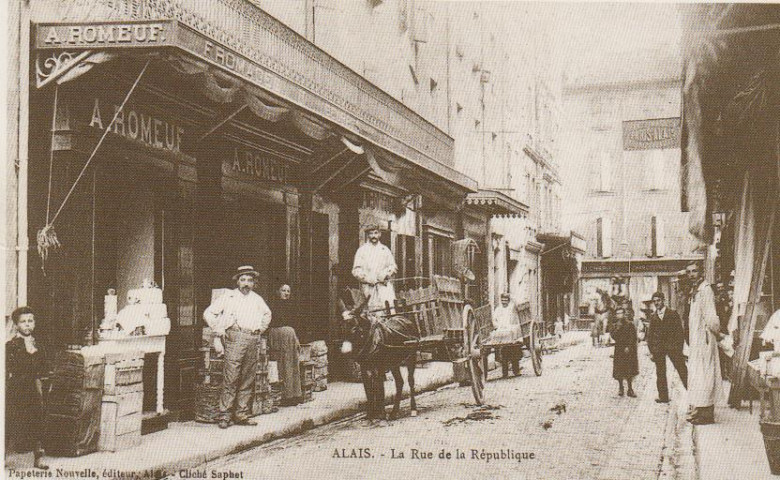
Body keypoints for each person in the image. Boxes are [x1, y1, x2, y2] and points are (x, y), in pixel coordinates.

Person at [203, 265, 272, 429]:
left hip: (252, 338)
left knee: (248, 378)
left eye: (249, 280)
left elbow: (267, 314)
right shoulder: (229, 296)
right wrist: (219, 329)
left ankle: (242, 414)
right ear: (237, 281)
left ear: (254, 282)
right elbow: (208, 313)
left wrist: (260, 329)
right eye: (243, 280)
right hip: (235, 337)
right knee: (231, 377)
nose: (246, 283)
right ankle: (225, 415)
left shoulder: (257, 299)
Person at [6, 307, 49, 469]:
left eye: (30, 321)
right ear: (16, 325)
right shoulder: (11, 345)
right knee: (10, 420)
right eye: (23, 322)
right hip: (17, 386)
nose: (27, 325)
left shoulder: (39, 344)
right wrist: (28, 353)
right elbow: (13, 367)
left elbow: (44, 365)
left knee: (38, 419)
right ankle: (3, 456)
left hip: (35, 386)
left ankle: (38, 458)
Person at [685, 262, 722, 425]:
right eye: (689, 272)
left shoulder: (705, 290)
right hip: (697, 340)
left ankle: (706, 414)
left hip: (705, 339)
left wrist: (716, 333)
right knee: (698, 376)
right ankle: (699, 409)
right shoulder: (695, 291)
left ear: (701, 272)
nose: (692, 274)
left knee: (705, 375)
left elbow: (712, 318)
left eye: (694, 271)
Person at [647, 292, 688, 404]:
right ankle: (663, 396)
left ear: (663, 300)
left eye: (658, 300)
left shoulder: (672, 313)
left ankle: (692, 392)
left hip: (673, 347)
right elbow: (650, 336)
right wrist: (651, 351)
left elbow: (680, 332)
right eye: (654, 301)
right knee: (660, 373)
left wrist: (679, 349)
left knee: (682, 369)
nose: (656, 303)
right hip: (659, 349)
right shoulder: (653, 316)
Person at [267, 284, 303, 406]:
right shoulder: (272, 305)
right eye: (283, 290)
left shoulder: (291, 306)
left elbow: (294, 324)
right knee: (282, 365)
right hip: (279, 337)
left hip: (290, 338)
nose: (286, 293)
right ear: (278, 291)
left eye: (288, 291)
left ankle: (294, 394)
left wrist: (296, 338)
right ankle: (284, 396)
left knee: (293, 364)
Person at [352, 224, 398, 313]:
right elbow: (356, 270)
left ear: (379, 234)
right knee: (372, 314)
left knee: (389, 311)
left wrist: (385, 274)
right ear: (367, 235)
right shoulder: (362, 251)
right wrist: (368, 279)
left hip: (385, 288)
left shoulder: (385, 250)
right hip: (369, 289)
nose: (373, 236)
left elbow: (393, 266)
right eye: (371, 233)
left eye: (376, 233)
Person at [612, 307, 638, 397]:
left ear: (624, 314)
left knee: (629, 370)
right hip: (619, 349)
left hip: (628, 350)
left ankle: (630, 389)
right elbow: (613, 336)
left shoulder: (629, 324)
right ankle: (621, 388)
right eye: (618, 313)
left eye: (621, 313)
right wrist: (617, 328)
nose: (619, 315)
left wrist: (629, 347)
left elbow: (633, 337)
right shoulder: (615, 325)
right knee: (619, 369)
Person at [492, 293, 520, 377]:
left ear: (508, 301)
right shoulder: (498, 309)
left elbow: (516, 308)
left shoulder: (511, 309)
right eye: (502, 300)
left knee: (514, 352)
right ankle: (505, 373)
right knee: (504, 353)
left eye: (506, 300)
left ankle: (516, 370)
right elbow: (494, 320)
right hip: (502, 332)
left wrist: (511, 327)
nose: (504, 302)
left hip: (511, 330)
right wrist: (498, 326)